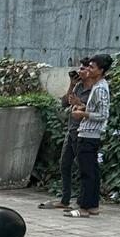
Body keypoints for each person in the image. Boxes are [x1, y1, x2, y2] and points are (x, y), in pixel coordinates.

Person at [39, 59, 91, 210]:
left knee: (83, 168)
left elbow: (93, 110)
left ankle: (82, 201)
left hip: (84, 133)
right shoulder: (79, 86)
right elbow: (65, 103)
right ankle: (65, 199)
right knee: (64, 165)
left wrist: (79, 101)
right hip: (71, 131)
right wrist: (72, 85)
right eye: (79, 68)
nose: (80, 71)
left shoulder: (95, 89)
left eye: (83, 69)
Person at [65, 53, 111, 217]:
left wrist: (82, 115)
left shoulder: (100, 88)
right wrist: (82, 107)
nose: (88, 69)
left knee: (87, 172)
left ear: (101, 70)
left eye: (92, 67)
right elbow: (96, 110)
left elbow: (103, 114)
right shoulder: (98, 86)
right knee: (90, 171)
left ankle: (85, 208)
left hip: (90, 134)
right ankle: (92, 206)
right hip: (87, 133)